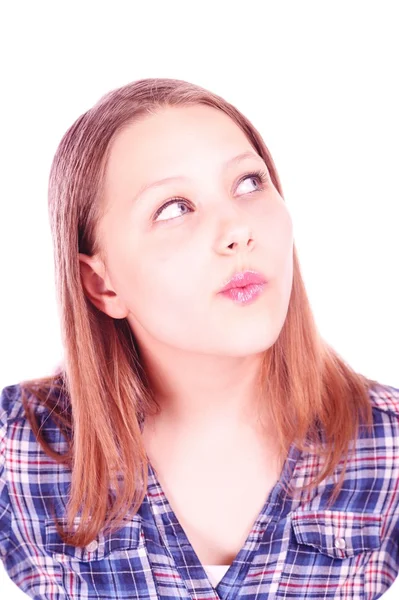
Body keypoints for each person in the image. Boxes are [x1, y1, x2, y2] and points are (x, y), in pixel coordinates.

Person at [0, 77, 398, 600]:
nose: (238, 228)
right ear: (102, 284)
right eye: (174, 208)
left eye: (249, 183)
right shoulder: (18, 451)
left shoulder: (387, 448)